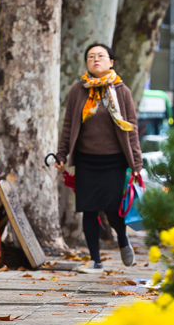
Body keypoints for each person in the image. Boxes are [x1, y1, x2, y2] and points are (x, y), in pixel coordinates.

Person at [56, 43, 142, 274]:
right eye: (91, 56)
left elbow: (131, 129)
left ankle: (122, 238)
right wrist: (61, 154)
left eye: (101, 56)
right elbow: (68, 126)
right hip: (86, 161)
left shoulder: (122, 91)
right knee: (89, 209)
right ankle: (95, 260)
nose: (96, 60)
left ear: (111, 62)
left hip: (114, 162)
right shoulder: (78, 91)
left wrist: (136, 164)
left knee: (113, 209)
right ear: (86, 63)